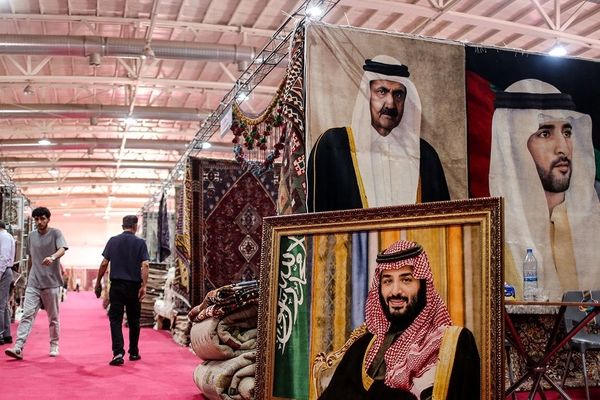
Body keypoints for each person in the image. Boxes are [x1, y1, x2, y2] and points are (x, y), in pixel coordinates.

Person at [318, 240, 479, 400]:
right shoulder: (362, 347)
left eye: (406, 280)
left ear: (423, 286)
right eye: (387, 281)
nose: (395, 291)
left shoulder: (455, 343)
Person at [489, 79, 600, 300]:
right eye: (545, 134)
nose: (563, 148)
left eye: (567, 133)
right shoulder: (492, 237)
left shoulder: (593, 225)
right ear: (515, 145)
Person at [307, 55, 450, 212]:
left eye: (398, 95)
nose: (390, 103)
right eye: (382, 92)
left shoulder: (426, 155)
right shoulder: (333, 146)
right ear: (367, 95)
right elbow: (318, 221)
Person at [5, 207, 68, 360]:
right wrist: (26, 277)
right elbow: (31, 258)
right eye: (37, 219)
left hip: (51, 282)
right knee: (27, 315)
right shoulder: (31, 236)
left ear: (48, 219)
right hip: (34, 282)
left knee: (53, 317)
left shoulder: (56, 233)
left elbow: (62, 249)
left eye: (42, 219)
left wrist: (52, 257)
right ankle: (18, 347)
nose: (39, 222)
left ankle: (54, 344)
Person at [95, 215, 149, 366]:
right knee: (134, 320)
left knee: (115, 320)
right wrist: (144, 286)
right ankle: (134, 352)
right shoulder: (140, 243)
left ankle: (118, 352)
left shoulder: (113, 241)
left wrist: (98, 282)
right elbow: (145, 265)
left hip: (117, 286)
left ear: (122, 226)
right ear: (136, 226)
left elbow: (104, 262)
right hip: (134, 287)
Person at [0, 221, 16, 345]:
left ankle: (0, 334)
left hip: (3, 271)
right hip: (6, 271)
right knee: (3, 305)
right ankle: (6, 335)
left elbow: (4, 258)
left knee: (0, 305)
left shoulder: (3, 237)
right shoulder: (8, 236)